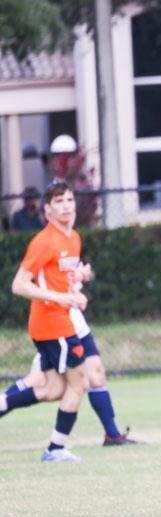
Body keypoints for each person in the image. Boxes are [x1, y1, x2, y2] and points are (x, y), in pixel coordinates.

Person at [1, 181, 91, 462]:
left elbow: (60, 280)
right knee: (80, 383)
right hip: (53, 325)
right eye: (59, 201)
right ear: (48, 210)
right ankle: (55, 449)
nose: (66, 206)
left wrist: (76, 285)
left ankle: (3, 403)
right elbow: (19, 285)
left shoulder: (73, 238)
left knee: (53, 389)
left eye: (69, 200)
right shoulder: (44, 241)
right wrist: (62, 298)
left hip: (58, 322)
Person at [2, 291, 140, 447]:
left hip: (74, 322)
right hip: (56, 324)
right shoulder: (43, 276)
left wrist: (75, 288)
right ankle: (56, 449)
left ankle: (111, 435)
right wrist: (64, 295)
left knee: (96, 375)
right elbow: (24, 286)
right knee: (41, 383)